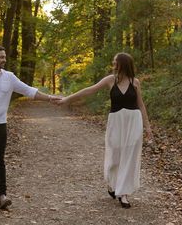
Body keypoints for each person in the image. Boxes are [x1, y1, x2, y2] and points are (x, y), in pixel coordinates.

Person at [0, 46, 60, 209]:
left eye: (4, 57)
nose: (4, 60)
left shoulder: (9, 77)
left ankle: (2, 195)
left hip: (0, 125)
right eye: (1, 57)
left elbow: (29, 90)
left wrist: (50, 98)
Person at [57, 52, 153, 208]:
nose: (113, 64)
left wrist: (147, 126)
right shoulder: (110, 80)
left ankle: (123, 193)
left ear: (123, 64)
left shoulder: (135, 82)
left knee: (129, 156)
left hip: (133, 122)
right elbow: (89, 90)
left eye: (116, 62)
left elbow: (141, 104)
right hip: (116, 121)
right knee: (114, 155)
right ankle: (112, 183)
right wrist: (67, 99)